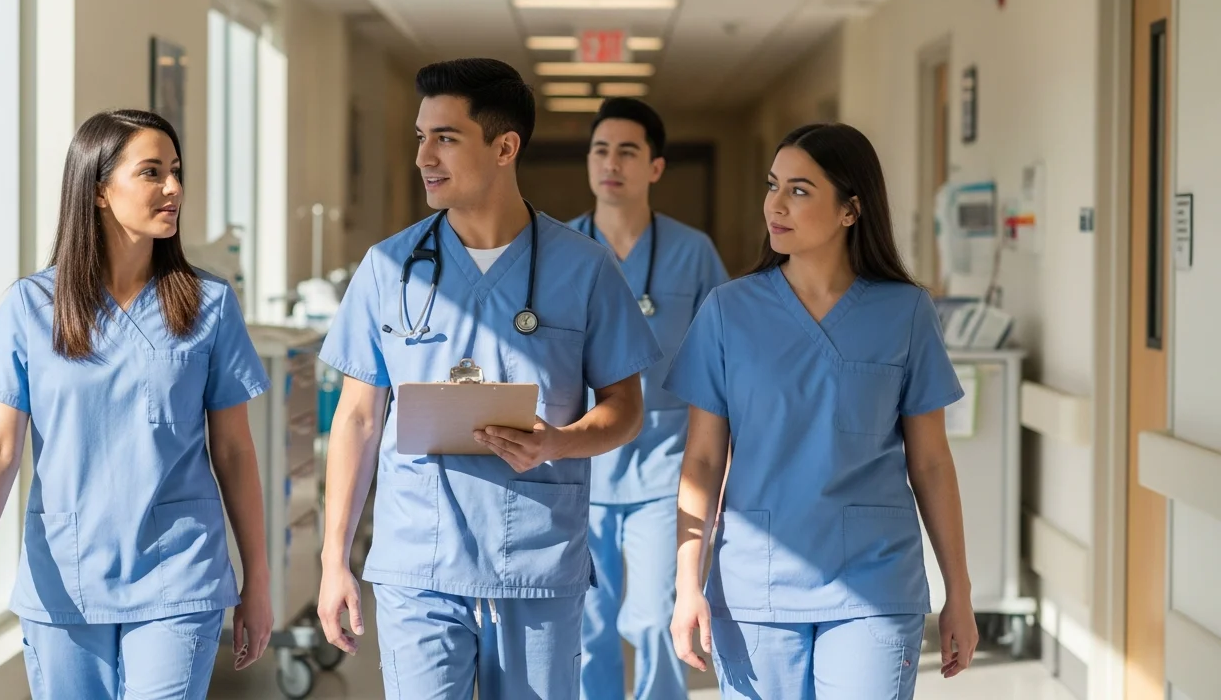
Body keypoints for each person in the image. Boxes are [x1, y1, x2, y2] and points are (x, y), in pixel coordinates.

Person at [314, 58, 663, 699]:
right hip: (419, 560)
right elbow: (358, 418)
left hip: (534, 558)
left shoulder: (584, 270)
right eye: (421, 137)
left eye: (446, 137)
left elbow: (626, 408)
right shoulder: (389, 267)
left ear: (505, 147)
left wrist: (555, 442)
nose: (425, 156)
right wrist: (335, 558)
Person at [0, 110, 274, 699]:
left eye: (176, 171)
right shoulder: (30, 307)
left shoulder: (210, 305)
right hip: (66, 573)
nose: (173, 188)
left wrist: (259, 579)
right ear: (99, 189)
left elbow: (234, 450)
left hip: (180, 571)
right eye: (152, 172)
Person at [664, 122, 979, 699]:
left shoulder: (905, 313)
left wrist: (958, 591)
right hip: (757, 584)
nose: (775, 205)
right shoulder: (727, 312)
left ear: (850, 210)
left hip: (875, 578)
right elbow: (703, 460)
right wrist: (688, 584)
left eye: (800, 190)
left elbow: (931, 462)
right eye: (772, 185)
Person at [568, 98, 728, 700]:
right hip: (580, 460)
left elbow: (723, 361)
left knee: (660, 610)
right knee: (589, 620)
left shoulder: (694, 253)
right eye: (600, 149)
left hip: (667, 462)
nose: (611, 163)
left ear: (656, 167)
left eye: (628, 151)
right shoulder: (559, 250)